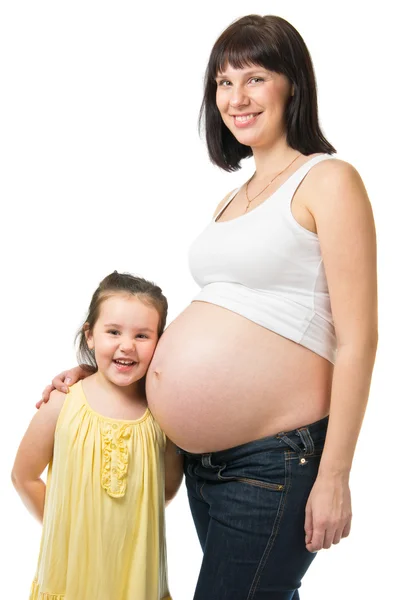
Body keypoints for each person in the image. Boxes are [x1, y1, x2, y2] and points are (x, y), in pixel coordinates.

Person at [39, 14, 378, 600]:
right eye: (223, 82)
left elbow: (359, 340)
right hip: (207, 466)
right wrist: (110, 374)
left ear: (292, 83)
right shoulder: (234, 197)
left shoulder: (328, 180)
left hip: (274, 460)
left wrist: (335, 476)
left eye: (255, 78)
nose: (236, 98)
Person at [13, 271, 183, 600]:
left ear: (159, 342)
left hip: (136, 580)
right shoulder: (62, 403)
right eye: (114, 332)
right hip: (71, 577)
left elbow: (166, 487)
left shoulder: (160, 414)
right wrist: (62, 530)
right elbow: (24, 476)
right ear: (90, 335)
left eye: (143, 336)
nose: (126, 346)